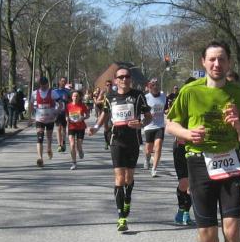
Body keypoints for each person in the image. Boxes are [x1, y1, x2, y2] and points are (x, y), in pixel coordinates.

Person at [165, 41, 240, 242]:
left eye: (222, 59)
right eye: (212, 59)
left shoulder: (239, 95)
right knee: (208, 234)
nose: (217, 64)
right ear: (203, 62)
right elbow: (170, 124)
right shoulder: (190, 91)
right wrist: (187, 133)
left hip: (229, 162)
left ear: (229, 63)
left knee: (232, 230)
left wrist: (237, 124)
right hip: (198, 162)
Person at [88, 67, 152, 232]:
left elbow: (148, 117)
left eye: (127, 76)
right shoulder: (110, 97)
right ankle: (121, 217)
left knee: (129, 178)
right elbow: (104, 114)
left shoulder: (138, 95)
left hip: (133, 140)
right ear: (116, 80)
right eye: (121, 77)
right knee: (119, 178)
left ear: (130, 79)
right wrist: (95, 127)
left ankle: (127, 198)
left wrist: (141, 124)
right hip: (116, 140)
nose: (124, 79)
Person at [171, 77, 196, 225]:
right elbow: (171, 125)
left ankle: (186, 212)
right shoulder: (179, 105)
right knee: (184, 183)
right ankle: (181, 209)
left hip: (196, 149)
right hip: (180, 148)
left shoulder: (201, 105)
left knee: (192, 184)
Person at [142, 78, 166, 176]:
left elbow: (166, 108)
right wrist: (145, 117)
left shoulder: (163, 96)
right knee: (148, 149)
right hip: (149, 126)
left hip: (160, 125)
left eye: (157, 85)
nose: (155, 87)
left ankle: (154, 169)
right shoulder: (146, 97)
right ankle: (147, 158)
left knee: (158, 146)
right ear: (150, 87)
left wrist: (167, 111)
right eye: (153, 86)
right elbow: (142, 111)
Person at [32, 77, 56, 167]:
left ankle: (49, 148)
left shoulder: (52, 92)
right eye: (42, 85)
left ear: (48, 84)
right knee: (40, 138)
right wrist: (30, 118)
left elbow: (61, 103)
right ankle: (40, 158)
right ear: (40, 85)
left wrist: (56, 112)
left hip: (50, 119)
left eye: (45, 85)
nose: (43, 87)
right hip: (39, 119)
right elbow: (31, 104)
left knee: (49, 137)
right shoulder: (35, 93)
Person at [66, 90, 90, 170]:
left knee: (79, 145)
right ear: (71, 97)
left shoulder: (82, 105)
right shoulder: (68, 106)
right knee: (72, 144)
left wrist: (83, 117)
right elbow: (66, 115)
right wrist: (67, 118)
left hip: (80, 127)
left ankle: (80, 150)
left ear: (79, 97)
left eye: (77, 96)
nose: (75, 97)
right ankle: (74, 163)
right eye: (74, 96)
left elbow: (88, 115)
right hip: (71, 127)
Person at [52, 77, 72, 152]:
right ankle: (59, 145)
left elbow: (70, 101)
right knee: (58, 128)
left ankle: (63, 142)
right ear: (59, 82)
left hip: (65, 112)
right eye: (62, 81)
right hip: (57, 112)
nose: (63, 83)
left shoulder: (67, 91)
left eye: (65, 81)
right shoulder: (54, 91)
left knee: (63, 128)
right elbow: (52, 101)